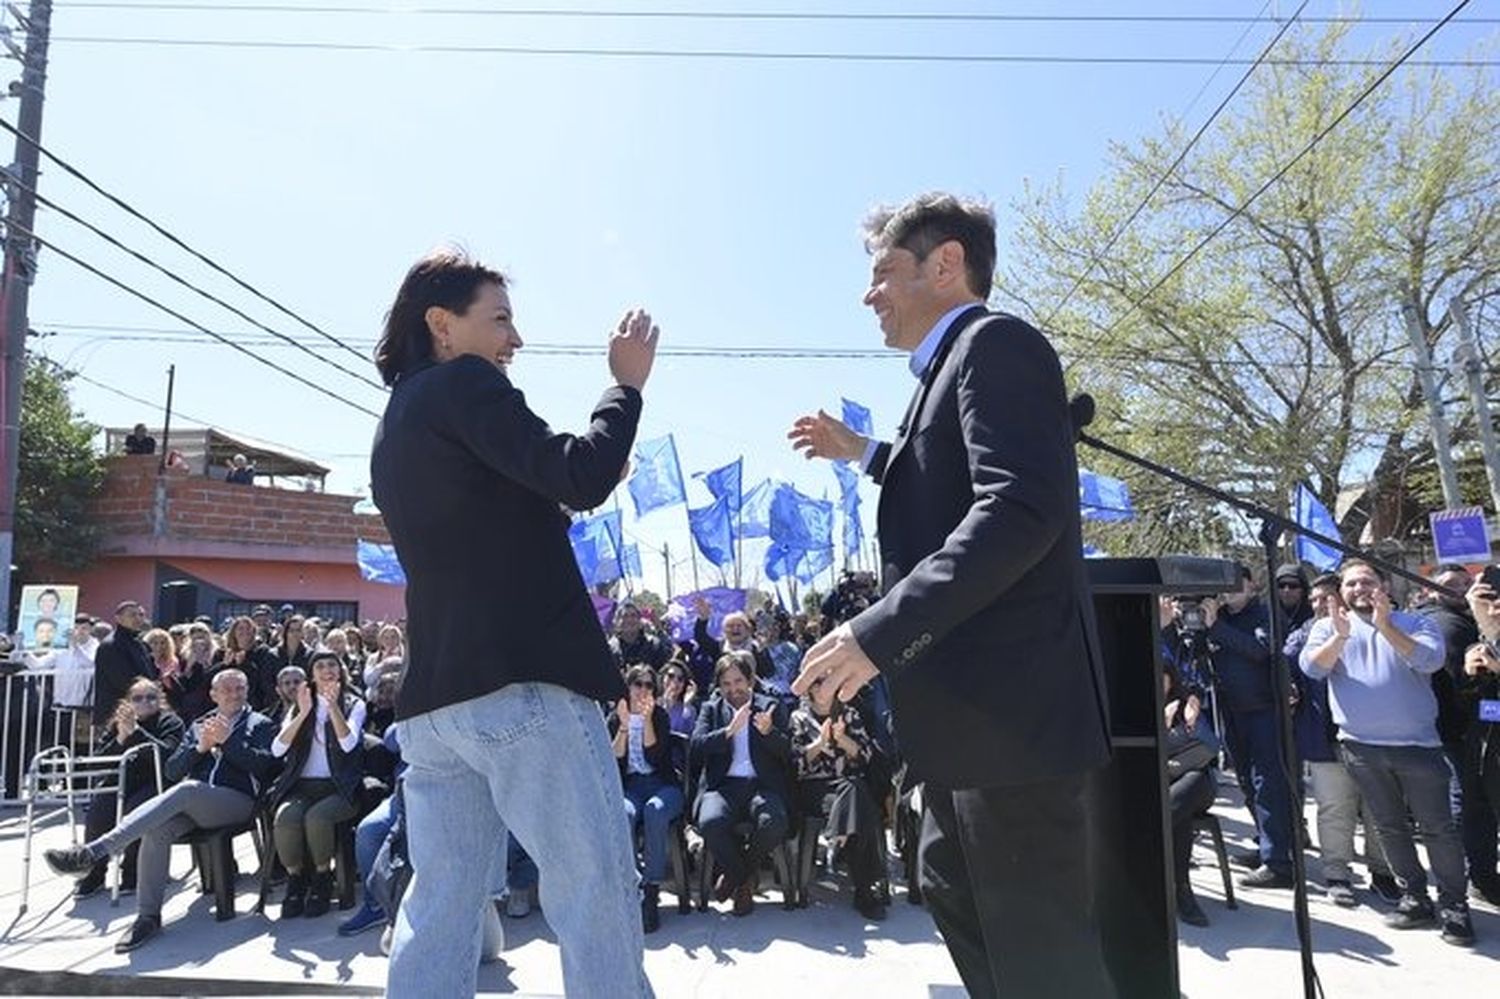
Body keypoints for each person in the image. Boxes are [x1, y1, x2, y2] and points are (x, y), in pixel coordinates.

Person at [788, 193, 1113, 998]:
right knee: (950, 881)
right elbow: (937, 473)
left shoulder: (996, 344)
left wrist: (876, 633)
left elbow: (1017, 507)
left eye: (883, 274)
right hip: (972, 727)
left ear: (946, 263)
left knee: (1043, 958)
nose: (869, 295)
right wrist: (862, 450)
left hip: (1014, 725)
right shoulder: (949, 368)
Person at [369, 249, 659, 998]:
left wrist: (567, 484)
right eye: (499, 318)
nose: (515, 339)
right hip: (523, 688)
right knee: (595, 892)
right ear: (442, 324)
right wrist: (623, 386)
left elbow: (500, 516)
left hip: (437, 707)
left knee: (439, 908)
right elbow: (580, 473)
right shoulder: (466, 383)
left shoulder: (400, 416)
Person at [42, 669, 278, 952]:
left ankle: (94, 851)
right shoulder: (199, 725)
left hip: (238, 802)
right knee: (158, 830)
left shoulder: (260, 723)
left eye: (239, 688)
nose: (233, 694)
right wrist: (200, 748)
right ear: (213, 695)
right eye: (226, 689)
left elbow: (267, 767)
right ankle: (147, 917)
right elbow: (173, 769)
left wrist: (230, 742)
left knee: (188, 789)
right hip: (195, 804)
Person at [1301, 559, 1473, 946]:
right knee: (1389, 827)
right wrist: (1341, 637)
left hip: (1419, 748)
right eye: (1351, 584)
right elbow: (1312, 669)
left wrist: (1385, 627)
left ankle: (1454, 905)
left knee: (1438, 830)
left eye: (1367, 582)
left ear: (1385, 587)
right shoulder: (1328, 628)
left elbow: (1429, 660)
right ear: (1341, 592)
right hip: (1361, 749)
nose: (1359, 589)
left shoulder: (1416, 622)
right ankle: (1415, 896)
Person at [1286, 573, 1395, 907]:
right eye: (1316, 599)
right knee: (1334, 809)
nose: (1321, 604)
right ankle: (1337, 873)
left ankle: (1383, 872)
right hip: (1325, 737)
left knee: (1380, 810)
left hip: (1375, 736)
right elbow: (1292, 665)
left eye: (1327, 597)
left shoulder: (1377, 625)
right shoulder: (1307, 633)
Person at [691, 650, 792, 917]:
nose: (733, 689)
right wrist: (728, 732)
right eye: (726, 683)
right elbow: (696, 746)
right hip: (724, 786)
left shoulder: (770, 706)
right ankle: (744, 879)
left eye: (737, 681)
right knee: (710, 823)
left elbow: (788, 751)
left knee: (774, 822)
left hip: (761, 786)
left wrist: (769, 733)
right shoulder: (711, 709)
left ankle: (737, 875)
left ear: (750, 681)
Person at [270, 650, 367, 919]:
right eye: (321, 666)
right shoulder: (298, 705)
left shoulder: (354, 703)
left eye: (332, 665)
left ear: (341, 671)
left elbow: (348, 744)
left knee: (317, 818)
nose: (327, 670)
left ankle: (323, 879)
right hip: (302, 787)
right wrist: (302, 714)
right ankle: (296, 879)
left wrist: (333, 707)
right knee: (286, 817)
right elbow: (277, 750)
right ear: (311, 675)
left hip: (339, 788)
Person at [67, 678, 185, 898]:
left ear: (159, 700)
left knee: (136, 809)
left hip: (156, 781)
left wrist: (136, 733)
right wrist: (121, 737)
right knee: (99, 811)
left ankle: (133, 872)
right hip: (122, 780)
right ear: (129, 702)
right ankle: (93, 874)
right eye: (138, 698)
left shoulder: (170, 722)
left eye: (151, 697)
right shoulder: (118, 724)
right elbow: (101, 762)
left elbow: (168, 756)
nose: (145, 702)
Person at [790, 676, 887, 921]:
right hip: (817, 788)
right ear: (809, 689)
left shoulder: (849, 714)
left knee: (854, 788)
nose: (823, 689)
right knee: (858, 799)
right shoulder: (799, 718)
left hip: (848, 784)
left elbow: (865, 756)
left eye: (828, 684)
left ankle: (840, 835)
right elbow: (797, 766)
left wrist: (843, 739)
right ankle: (866, 891)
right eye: (818, 684)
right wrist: (821, 742)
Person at [608, 665, 684, 934]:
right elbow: (612, 759)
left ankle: (651, 888)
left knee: (655, 811)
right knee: (624, 813)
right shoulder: (616, 717)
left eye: (649, 685)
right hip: (631, 787)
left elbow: (654, 757)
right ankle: (633, 883)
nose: (643, 690)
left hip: (663, 786)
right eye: (637, 684)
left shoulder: (660, 716)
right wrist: (625, 728)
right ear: (627, 688)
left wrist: (648, 719)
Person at [92, 601, 156, 729]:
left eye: (141, 615)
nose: (138, 619)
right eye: (132, 615)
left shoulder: (140, 643)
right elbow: (123, 681)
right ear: (118, 618)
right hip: (116, 713)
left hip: (140, 709)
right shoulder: (111, 645)